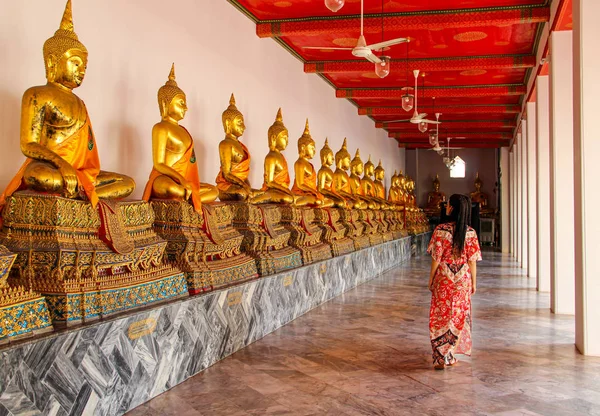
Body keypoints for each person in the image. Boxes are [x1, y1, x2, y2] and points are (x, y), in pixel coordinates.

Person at [427, 194, 482, 370]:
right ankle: (449, 354)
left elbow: (436, 258)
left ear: (452, 208)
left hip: (444, 276)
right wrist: (474, 282)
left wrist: (431, 279)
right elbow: (472, 260)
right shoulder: (471, 233)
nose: (446, 207)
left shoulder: (440, 230)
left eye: (448, 205)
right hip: (462, 278)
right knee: (458, 315)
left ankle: (440, 355)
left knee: (441, 315)